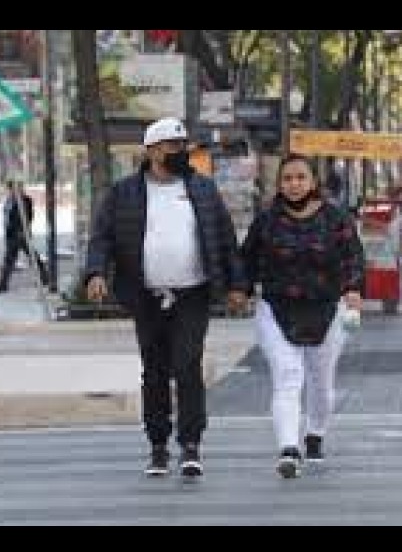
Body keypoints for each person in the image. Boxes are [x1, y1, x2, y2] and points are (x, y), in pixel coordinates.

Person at [84, 118, 249, 479]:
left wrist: (238, 286)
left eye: (183, 145)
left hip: (193, 293)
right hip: (146, 296)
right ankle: (158, 445)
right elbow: (102, 238)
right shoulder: (124, 192)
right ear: (152, 150)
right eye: (173, 146)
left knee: (188, 365)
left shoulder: (202, 189)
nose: (180, 152)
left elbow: (224, 239)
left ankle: (190, 444)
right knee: (155, 370)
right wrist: (95, 273)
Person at [241, 154, 365, 480]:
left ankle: (315, 433)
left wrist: (354, 288)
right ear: (279, 183)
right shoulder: (267, 220)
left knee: (321, 381)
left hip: (327, 308)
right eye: (287, 178)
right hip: (276, 308)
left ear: (313, 182)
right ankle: (288, 449)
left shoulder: (335, 217)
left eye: (300, 177)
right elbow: (247, 259)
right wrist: (240, 289)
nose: (294, 184)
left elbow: (353, 257)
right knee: (288, 374)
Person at [0, 180, 49, 294]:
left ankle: (44, 277)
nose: (11, 191)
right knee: (10, 260)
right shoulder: (9, 200)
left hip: (21, 234)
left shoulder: (25, 200)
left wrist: (22, 230)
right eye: (10, 189)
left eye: (14, 188)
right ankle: (3, 284)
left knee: (32, 257)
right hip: (11, 235)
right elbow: (7, 217)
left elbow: (29, 216)